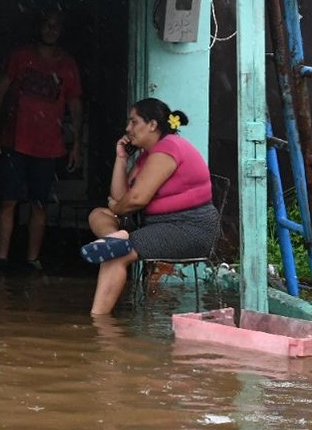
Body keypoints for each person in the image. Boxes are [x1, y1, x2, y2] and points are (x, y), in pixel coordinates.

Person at [79, 97, 218, 316]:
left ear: (152, 125)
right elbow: (121, 196)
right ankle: (115, 240)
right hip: (155, 225)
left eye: (134, 122)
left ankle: (99, 322)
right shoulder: (147, 156)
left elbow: (136, 200)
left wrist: (117, 208)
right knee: (98, 214)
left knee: (115, 257)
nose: (128, 128)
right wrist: (121, 158)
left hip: (188, 228)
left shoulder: (168, 148)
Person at [0, 10, 83, 271]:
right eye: (47, 24)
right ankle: (1, 261)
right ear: (38, 28)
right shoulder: (21, 57)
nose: (51, 30)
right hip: (13, 141)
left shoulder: (67, 65)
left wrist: (76, 143)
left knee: (39, 204)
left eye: (56, 26)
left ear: (62, 31)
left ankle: (32, 261)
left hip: (48, 146)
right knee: (9, 200)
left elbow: (75, 105)